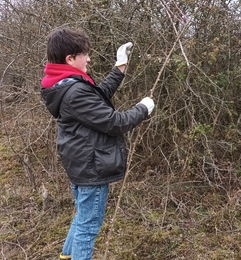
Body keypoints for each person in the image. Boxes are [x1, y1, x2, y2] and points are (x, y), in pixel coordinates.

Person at [40, 28, 154, 260]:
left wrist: (119, 67)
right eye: (84, 54)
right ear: (70, 59)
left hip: (80, 163)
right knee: (88, 226)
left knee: (82, 217)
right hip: (90, 167)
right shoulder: (74, 91)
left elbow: (97, 96)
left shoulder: (64, 84)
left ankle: (66, 257)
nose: (89, 58)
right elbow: (114, 123)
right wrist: (143, 109)